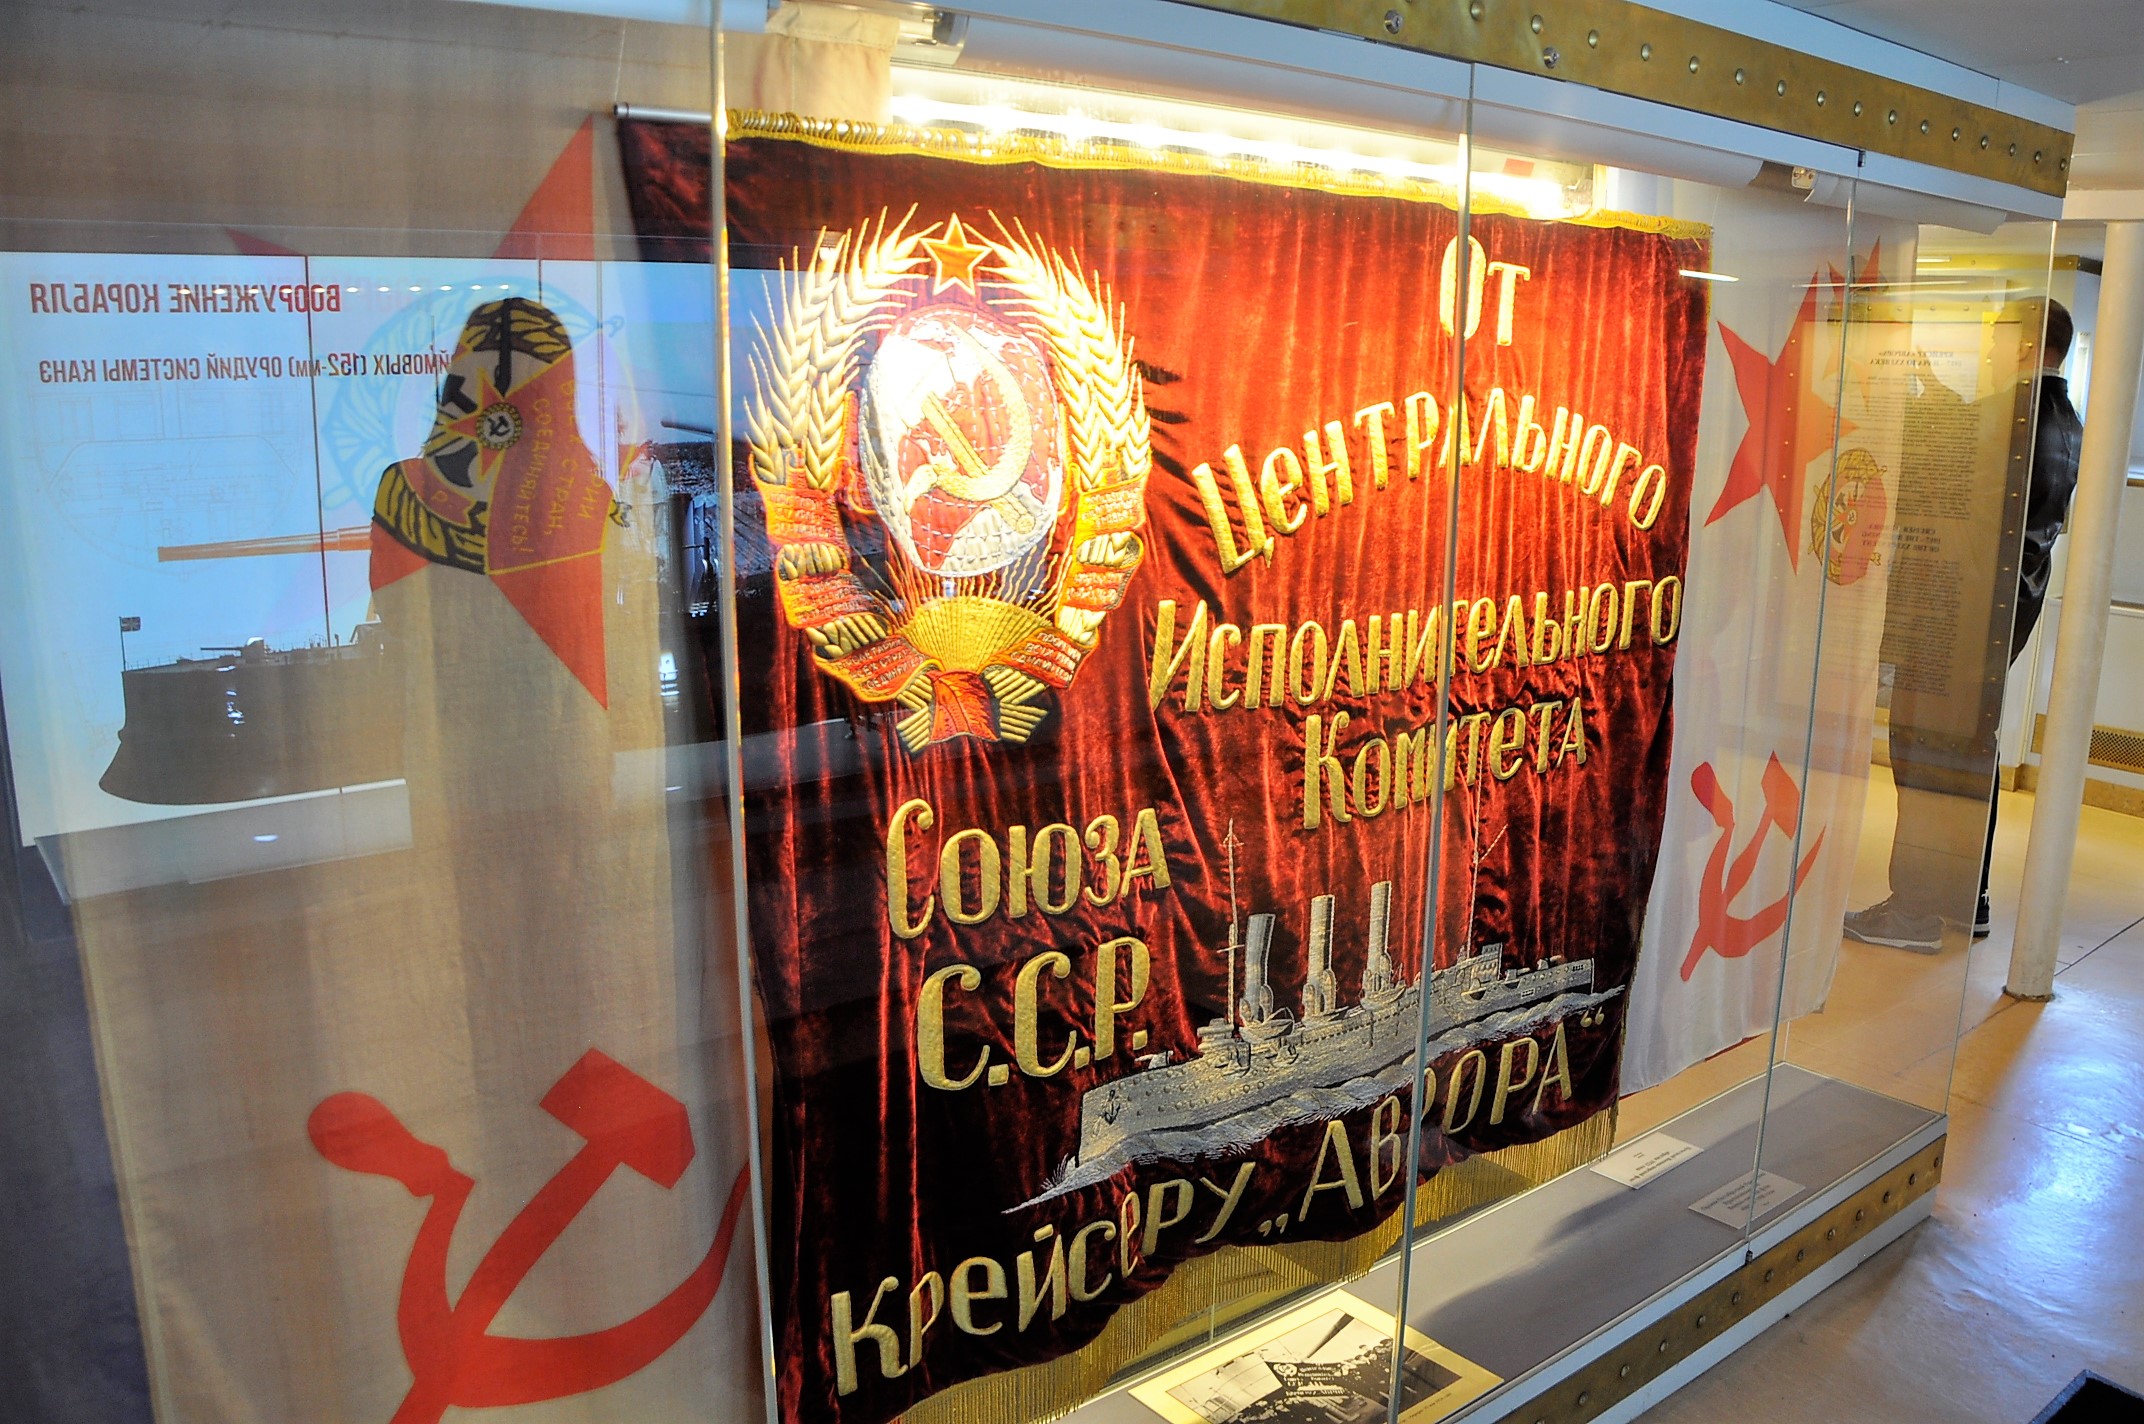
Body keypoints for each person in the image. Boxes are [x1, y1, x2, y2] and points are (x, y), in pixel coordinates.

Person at [1844, 298, 2083, 953]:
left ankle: (1915, 912)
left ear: (2026, 344)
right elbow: (1983, 462)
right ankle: (1964, 897)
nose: (1986, 348)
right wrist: (1935, 390)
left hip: (1956, 619)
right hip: (2002, 619)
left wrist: (1911, 395)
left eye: (1996, 336)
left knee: (1926, 755)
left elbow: (1953, 477)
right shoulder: (2063, 419)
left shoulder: (2012, 414)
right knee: (1970, 754)